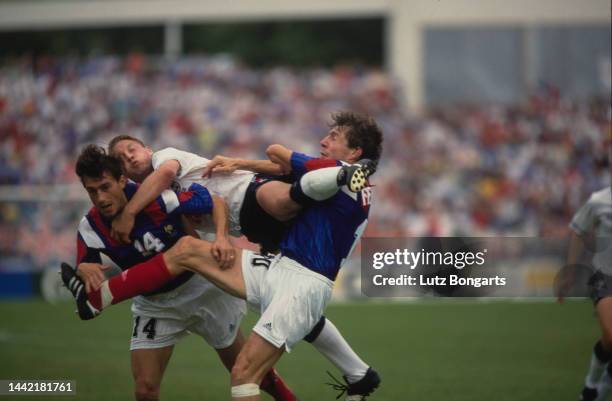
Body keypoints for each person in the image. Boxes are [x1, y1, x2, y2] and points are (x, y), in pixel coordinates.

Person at [62, 144, 376, 401]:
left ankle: (96, 301)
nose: (101, 197)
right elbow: (85, 260)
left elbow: (267, 162)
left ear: (121, 179)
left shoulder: (162, 174)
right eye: (93, 191)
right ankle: (360, 374)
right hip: (160, 302)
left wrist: (222, 235)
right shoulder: (91, 224)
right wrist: (83, 265)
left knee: (247, 375)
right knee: (145, 389)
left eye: (131, 149)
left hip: (211, 283)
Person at [557, 186, 612, 401]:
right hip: (605, 276)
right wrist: (570, 272)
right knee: (611, 335)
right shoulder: (598, 200)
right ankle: (591, 384)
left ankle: (605, 381)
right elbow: (578, 230)